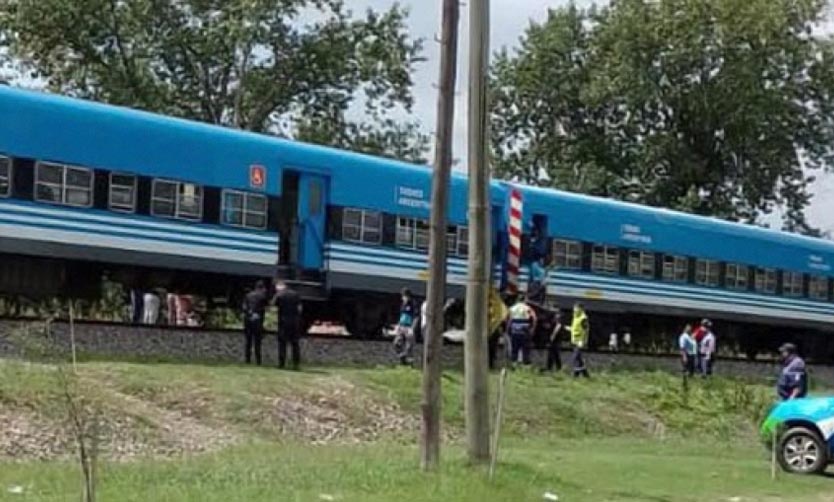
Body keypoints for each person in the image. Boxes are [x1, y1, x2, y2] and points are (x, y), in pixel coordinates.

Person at [274, 280, 303, 370]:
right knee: (295, 343)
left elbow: (274, 305)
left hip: (283, 321)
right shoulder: (296, 294)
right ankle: (296, 364)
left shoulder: (279, 295)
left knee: (282, 343)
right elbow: (300, 308)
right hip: (294, 321)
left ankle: (282, 364)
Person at [242, 280, 268, 365]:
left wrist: (249, 313)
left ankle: (247, 360)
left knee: (248, 341)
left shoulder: (248, 295)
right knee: (257, 342)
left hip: (248, 320)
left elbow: (244, 307)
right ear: (262, 288)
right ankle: (258, 361)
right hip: (258, 320)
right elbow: (265, 307)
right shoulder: (262, 296)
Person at [507, 295, 536, 367]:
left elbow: (509, 320)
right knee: (525, 350)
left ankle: (514, 365)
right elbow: (534, 318)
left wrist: (508, 329)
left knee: (515, 350)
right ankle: (525, 366)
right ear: (524, 300)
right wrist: (532, 329)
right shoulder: (527, 308)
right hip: (525, 332)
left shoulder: (512, 308)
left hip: (515, 332)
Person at [392, 288, 417, 365]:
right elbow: (402, 316)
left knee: (409, 345)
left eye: (404, 296)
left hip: (408, 327)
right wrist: (398, 325)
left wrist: (412, 328)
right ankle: (403, 359)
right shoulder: (403, 304)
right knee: (396, 343)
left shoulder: (413, 304)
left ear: (408, 296)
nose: (402, 298)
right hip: (402, 326)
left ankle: (410, 363)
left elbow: (416, 316)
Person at [569, 302, 590, 378]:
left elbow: (586, 330)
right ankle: (585, 374)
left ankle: (576, 374)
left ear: (580, 309)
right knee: (579, 358)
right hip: (575, 340)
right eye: (574, 308)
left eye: (576, 308)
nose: (574, 309)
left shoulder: (583, 318)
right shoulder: (576, 316)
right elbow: (575, 328)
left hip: (580, 342)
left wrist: (584, 341)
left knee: (575, 357)